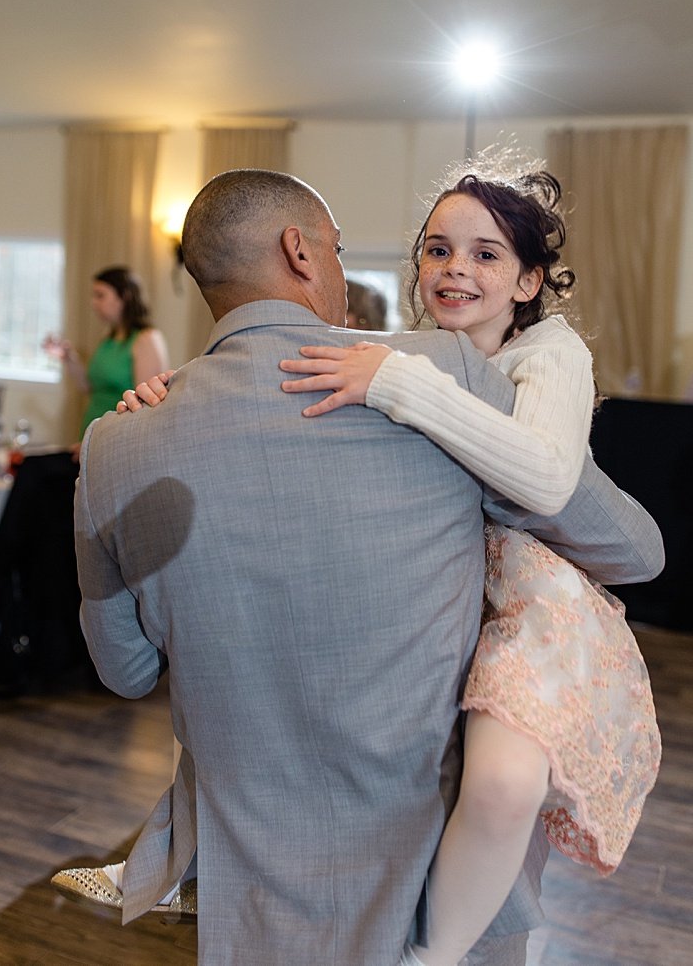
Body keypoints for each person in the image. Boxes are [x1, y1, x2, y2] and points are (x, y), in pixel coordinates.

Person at [70, 169, 663, 963]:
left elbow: (127, 671)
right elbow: (633, 550)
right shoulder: (438, 374)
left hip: (253, 895)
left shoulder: (119, 439)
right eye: (341, 250)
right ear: (302, 252)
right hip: (432, 888)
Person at [276, 160, 660, 966]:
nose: (457, 269)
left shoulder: (550, 353)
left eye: (487, 255)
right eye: (439, 249)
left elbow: (547, 478)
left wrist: (400, 386)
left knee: (503, 786)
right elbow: (286, 373)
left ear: (528, 282)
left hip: (534, 605)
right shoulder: (405, 352)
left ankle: (431, 959)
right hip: (436, 599)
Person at [45, 265, 170, 435]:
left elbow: (146, 406)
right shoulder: (108, 338)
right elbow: (89, 387)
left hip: (118, 436)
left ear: (124, 297)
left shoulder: (146, 339)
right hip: (91, 432)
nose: (93, 303)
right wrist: (69, 357)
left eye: (100, 295)